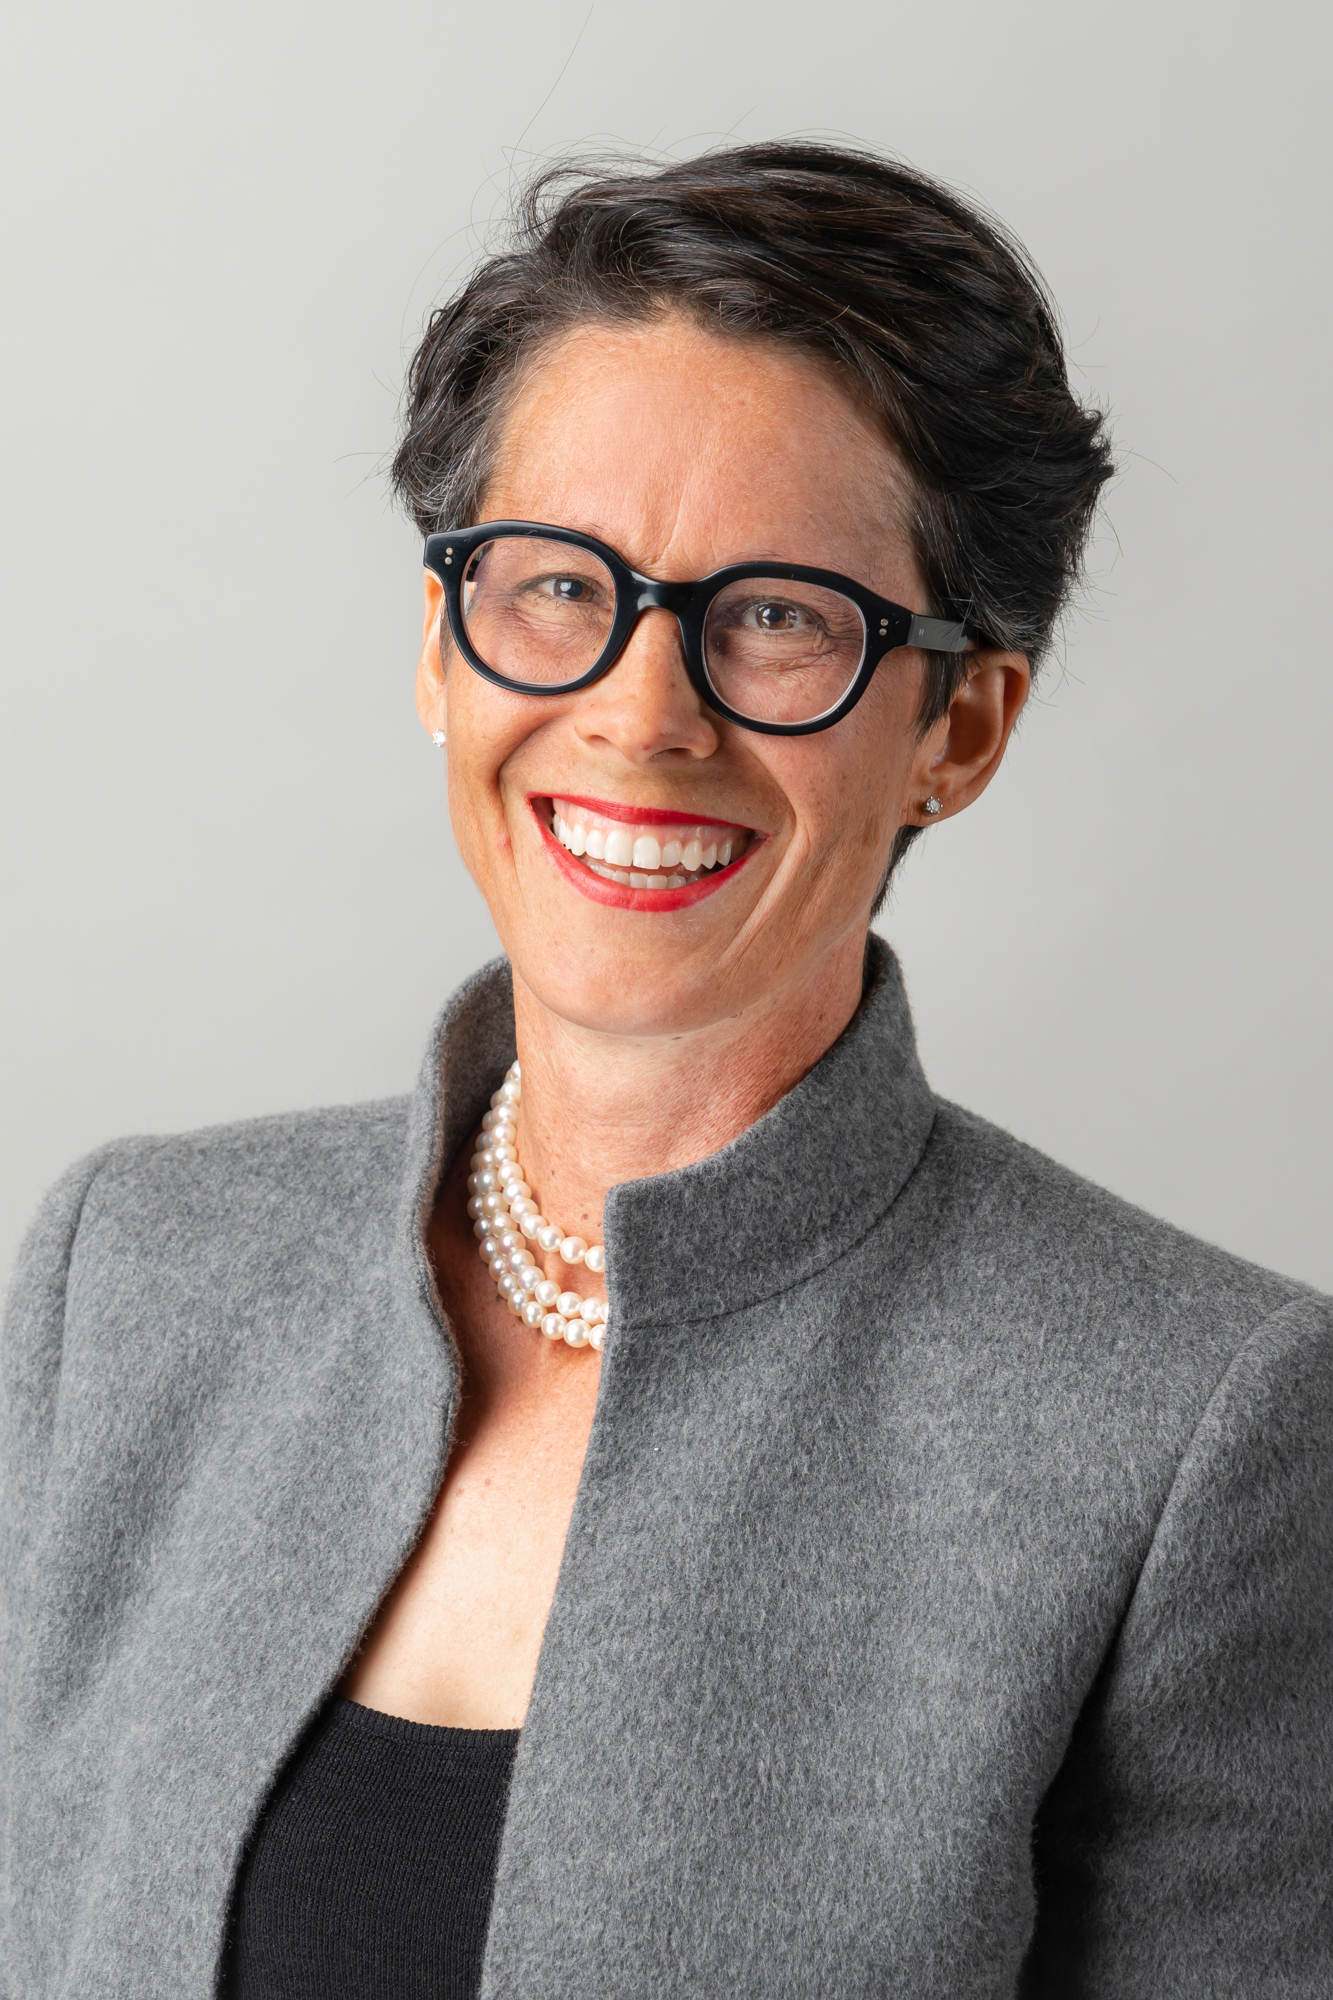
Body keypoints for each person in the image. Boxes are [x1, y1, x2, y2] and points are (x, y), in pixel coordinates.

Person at [2, 142, 1329, 2000]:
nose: (640, 715)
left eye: (778, 615)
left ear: (957, 727)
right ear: (440, 649)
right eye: (556, 584)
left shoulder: (1193, 1428)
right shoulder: (133, 1277)